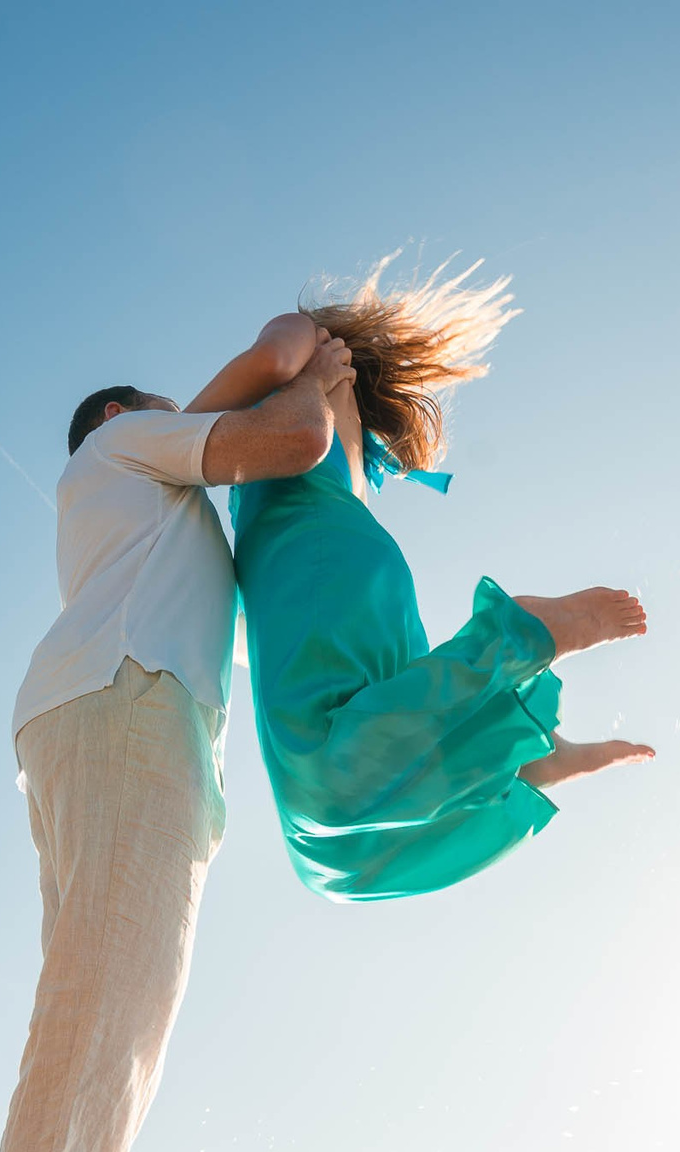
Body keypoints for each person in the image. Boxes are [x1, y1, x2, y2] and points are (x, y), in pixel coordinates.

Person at [0, 323, 357, 1152]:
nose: (192, 422)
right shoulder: (119, 456)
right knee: (97, 1024)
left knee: (106, 1028)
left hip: (126, 716)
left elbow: (265, 435)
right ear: (124, 419)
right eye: (174, 410)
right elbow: (293, 437)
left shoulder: (152, 498)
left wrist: (285, 380)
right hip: (126, 704)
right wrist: (304, 363)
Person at [223, 260, 652, 901]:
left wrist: (143, 442)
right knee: (340, 860)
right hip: (342, 578)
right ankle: (529, 761)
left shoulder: (307, 339)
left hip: (321, 568)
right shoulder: (349, 436)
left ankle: (525, 637)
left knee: (333, 809)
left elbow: (271, 359)